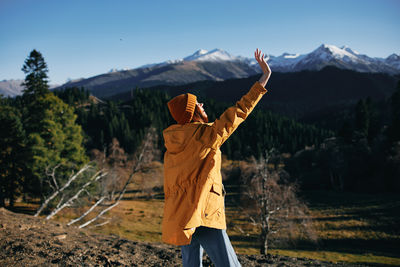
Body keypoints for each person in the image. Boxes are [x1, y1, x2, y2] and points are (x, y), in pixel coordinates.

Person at [162, 48, 272, 267]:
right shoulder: (207, 135)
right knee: (228, 264)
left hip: (183, 216)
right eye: (198, 104)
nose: (202, 105)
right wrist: (265, 77)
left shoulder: (171, 146)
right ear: (192, 113)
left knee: (191, 263)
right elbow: (240, 111)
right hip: (204, 213)